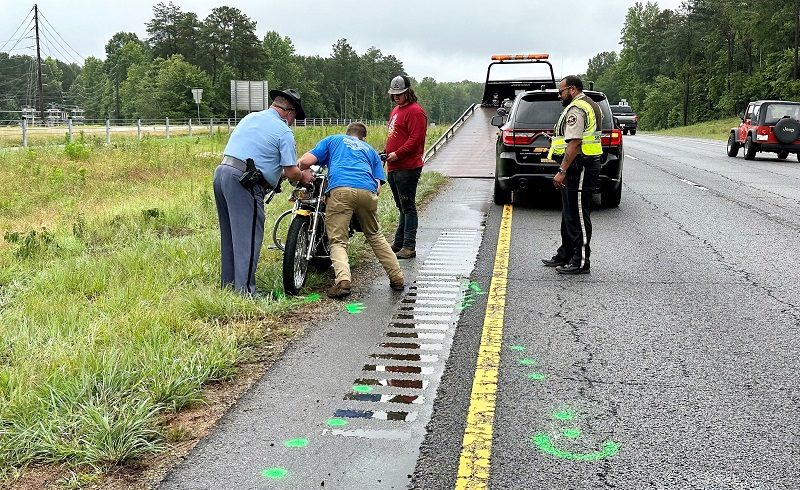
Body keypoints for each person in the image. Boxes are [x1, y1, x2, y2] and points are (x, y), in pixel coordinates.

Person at [213, 88, 314, 295]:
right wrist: (304, 176)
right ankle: (246, 293)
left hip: (222, 173)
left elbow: (262, 155)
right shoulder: (283, 130)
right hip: (245, 181)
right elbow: (291, 171)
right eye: (295, 117)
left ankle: (229, 286)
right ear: (289, 112)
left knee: (231, 235)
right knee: (249, 238)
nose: (293, 121)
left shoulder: (251, 117)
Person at [297, 122, 405, 299]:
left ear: (347, 133)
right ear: (363, 137)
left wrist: (295, 171)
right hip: (367, 192)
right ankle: (397, 278)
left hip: (340, 189)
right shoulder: (370, 151)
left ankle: (343, 281)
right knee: (375, 235)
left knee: (338, 240)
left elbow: (305, 161)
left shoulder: (334, 140)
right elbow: (378, 187)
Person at [542, 75, 603, 275]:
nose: (560, 95)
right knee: (569, 213)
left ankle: (581, 261)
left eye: (561, 91)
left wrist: (562, 171)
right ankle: (566, 254)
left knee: (577, 213)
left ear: (573, 90)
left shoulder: (577, 108)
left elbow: (575, 142)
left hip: (580, 166)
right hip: (578, 165)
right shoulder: (587, 104)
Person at [384, 75, 428, 259]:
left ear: (408, 92)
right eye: (394, 94)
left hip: (408, 167)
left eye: (400, 93)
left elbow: (415, 140)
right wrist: (386, 152)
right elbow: (393, 136)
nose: (396, 96)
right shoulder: (396, 111)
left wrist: (398, 154)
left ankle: (409, 246)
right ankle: (399, 242)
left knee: (408, 205)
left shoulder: (415, 112)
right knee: (401, 206)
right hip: (394, 166)